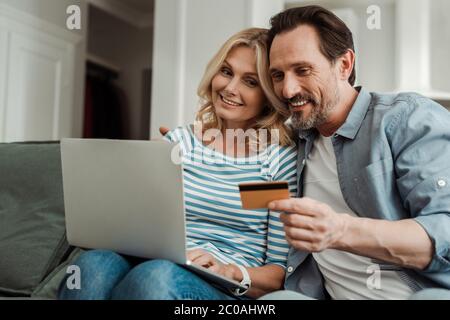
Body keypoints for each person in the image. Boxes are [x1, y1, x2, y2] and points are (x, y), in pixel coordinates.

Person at [58, 28, 298, 300]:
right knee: (91, 267)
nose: (230, 88)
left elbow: (279, 271)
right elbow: (138, 218)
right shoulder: (181, 142)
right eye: (227, 72)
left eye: (251, 82)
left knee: (154, 278)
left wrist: (228, 270)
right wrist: (141, 169)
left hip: (218, 285)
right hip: (151, 260)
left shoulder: (277, 161)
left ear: (269, 95)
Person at [258, 5, 450, 300]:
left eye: (302, 70)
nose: (287, 90)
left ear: (344, 65)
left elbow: (444, 230)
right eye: (278, 75)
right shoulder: (290, 144)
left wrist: (340, 230)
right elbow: (245, 187)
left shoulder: (406, 119)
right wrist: (193, 150)